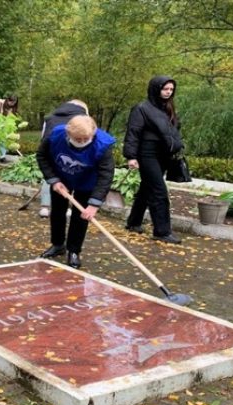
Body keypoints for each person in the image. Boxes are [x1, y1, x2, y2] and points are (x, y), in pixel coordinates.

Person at [36, 115, 116, 268]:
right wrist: (53, 179)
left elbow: (106, 175)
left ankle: (74, 251)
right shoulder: (56, 135)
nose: (81, 142)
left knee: (81, 217)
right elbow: (42, 156)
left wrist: (94, 204)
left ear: (93, 133)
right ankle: (58, 245)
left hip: (87, 181)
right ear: (68, 134)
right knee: (58, 211)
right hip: (61, 177)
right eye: (77, 139)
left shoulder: (102, 145)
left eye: (85, 139)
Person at [123, 76, 184, 244]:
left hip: (164, 154)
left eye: (171, 89)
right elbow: (133, 133)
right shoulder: (142, 108)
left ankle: (133, 222)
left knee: (147, 187)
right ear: (156, 88)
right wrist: (131, 156)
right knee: (159, 191)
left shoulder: (169, 108)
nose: (168, 92)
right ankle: (162, 231)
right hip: (147, 153)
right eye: (165, 89)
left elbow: (173, 130)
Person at [37, 100, 90, 218]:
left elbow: (43, 139)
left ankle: (45, 207)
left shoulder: (50, 118)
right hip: (66, 153)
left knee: (50, 178)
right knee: (64, 180)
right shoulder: (83, 119)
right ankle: (65, 208)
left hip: (50, 152)